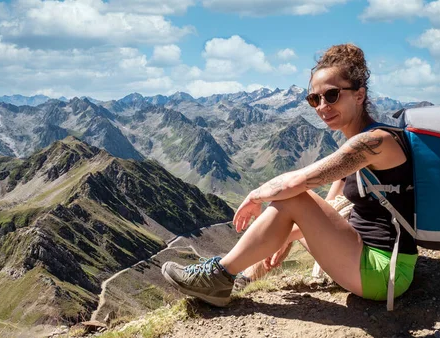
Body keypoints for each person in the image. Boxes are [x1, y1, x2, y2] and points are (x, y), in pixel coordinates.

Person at [162, 43, 418, 307]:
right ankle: (244, 279)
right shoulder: (361, 144)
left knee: (294, 198)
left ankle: (218, 276)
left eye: (331, 95)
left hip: (384, 273)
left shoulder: (374, 143)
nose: (321, 106)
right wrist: (285, 237)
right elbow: (331, 209)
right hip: (365, 254)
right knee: (292, 210)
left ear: (359, 95)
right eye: (314, 99)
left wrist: (256, 195)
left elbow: (298, 183)